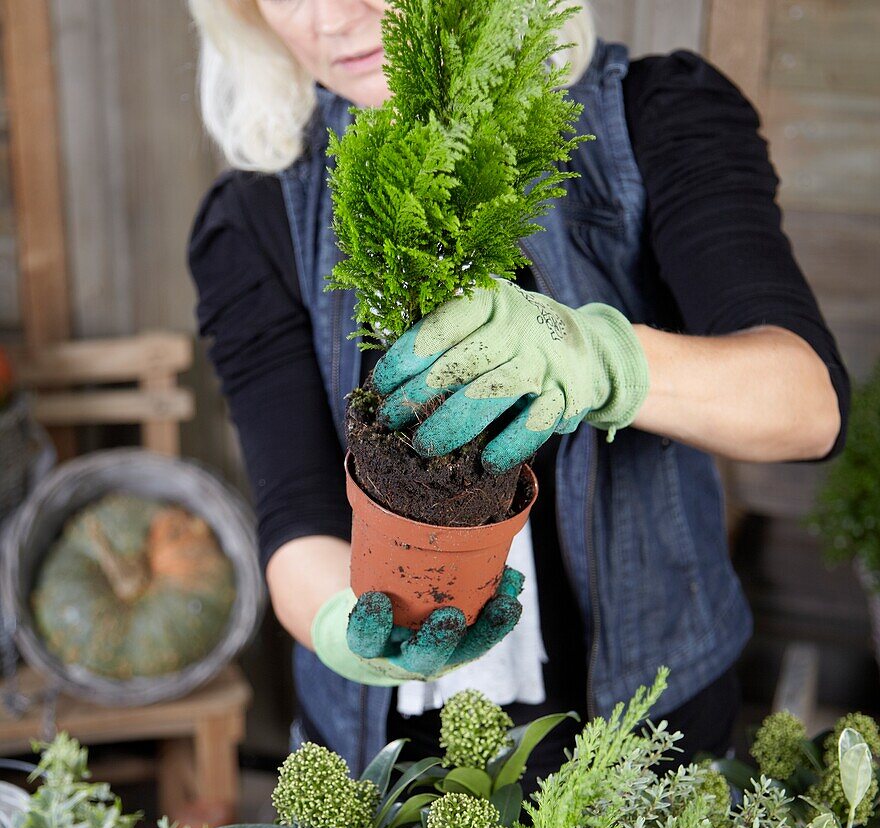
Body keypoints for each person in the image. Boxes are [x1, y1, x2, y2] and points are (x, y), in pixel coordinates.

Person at [186, 0, 848, 780]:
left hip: (647, 737)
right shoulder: (261, 215)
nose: (330, 17)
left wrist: (600, 359)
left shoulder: (651, 122)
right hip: (386, 762)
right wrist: (350, 626)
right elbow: (296, 512)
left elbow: (805, 407)